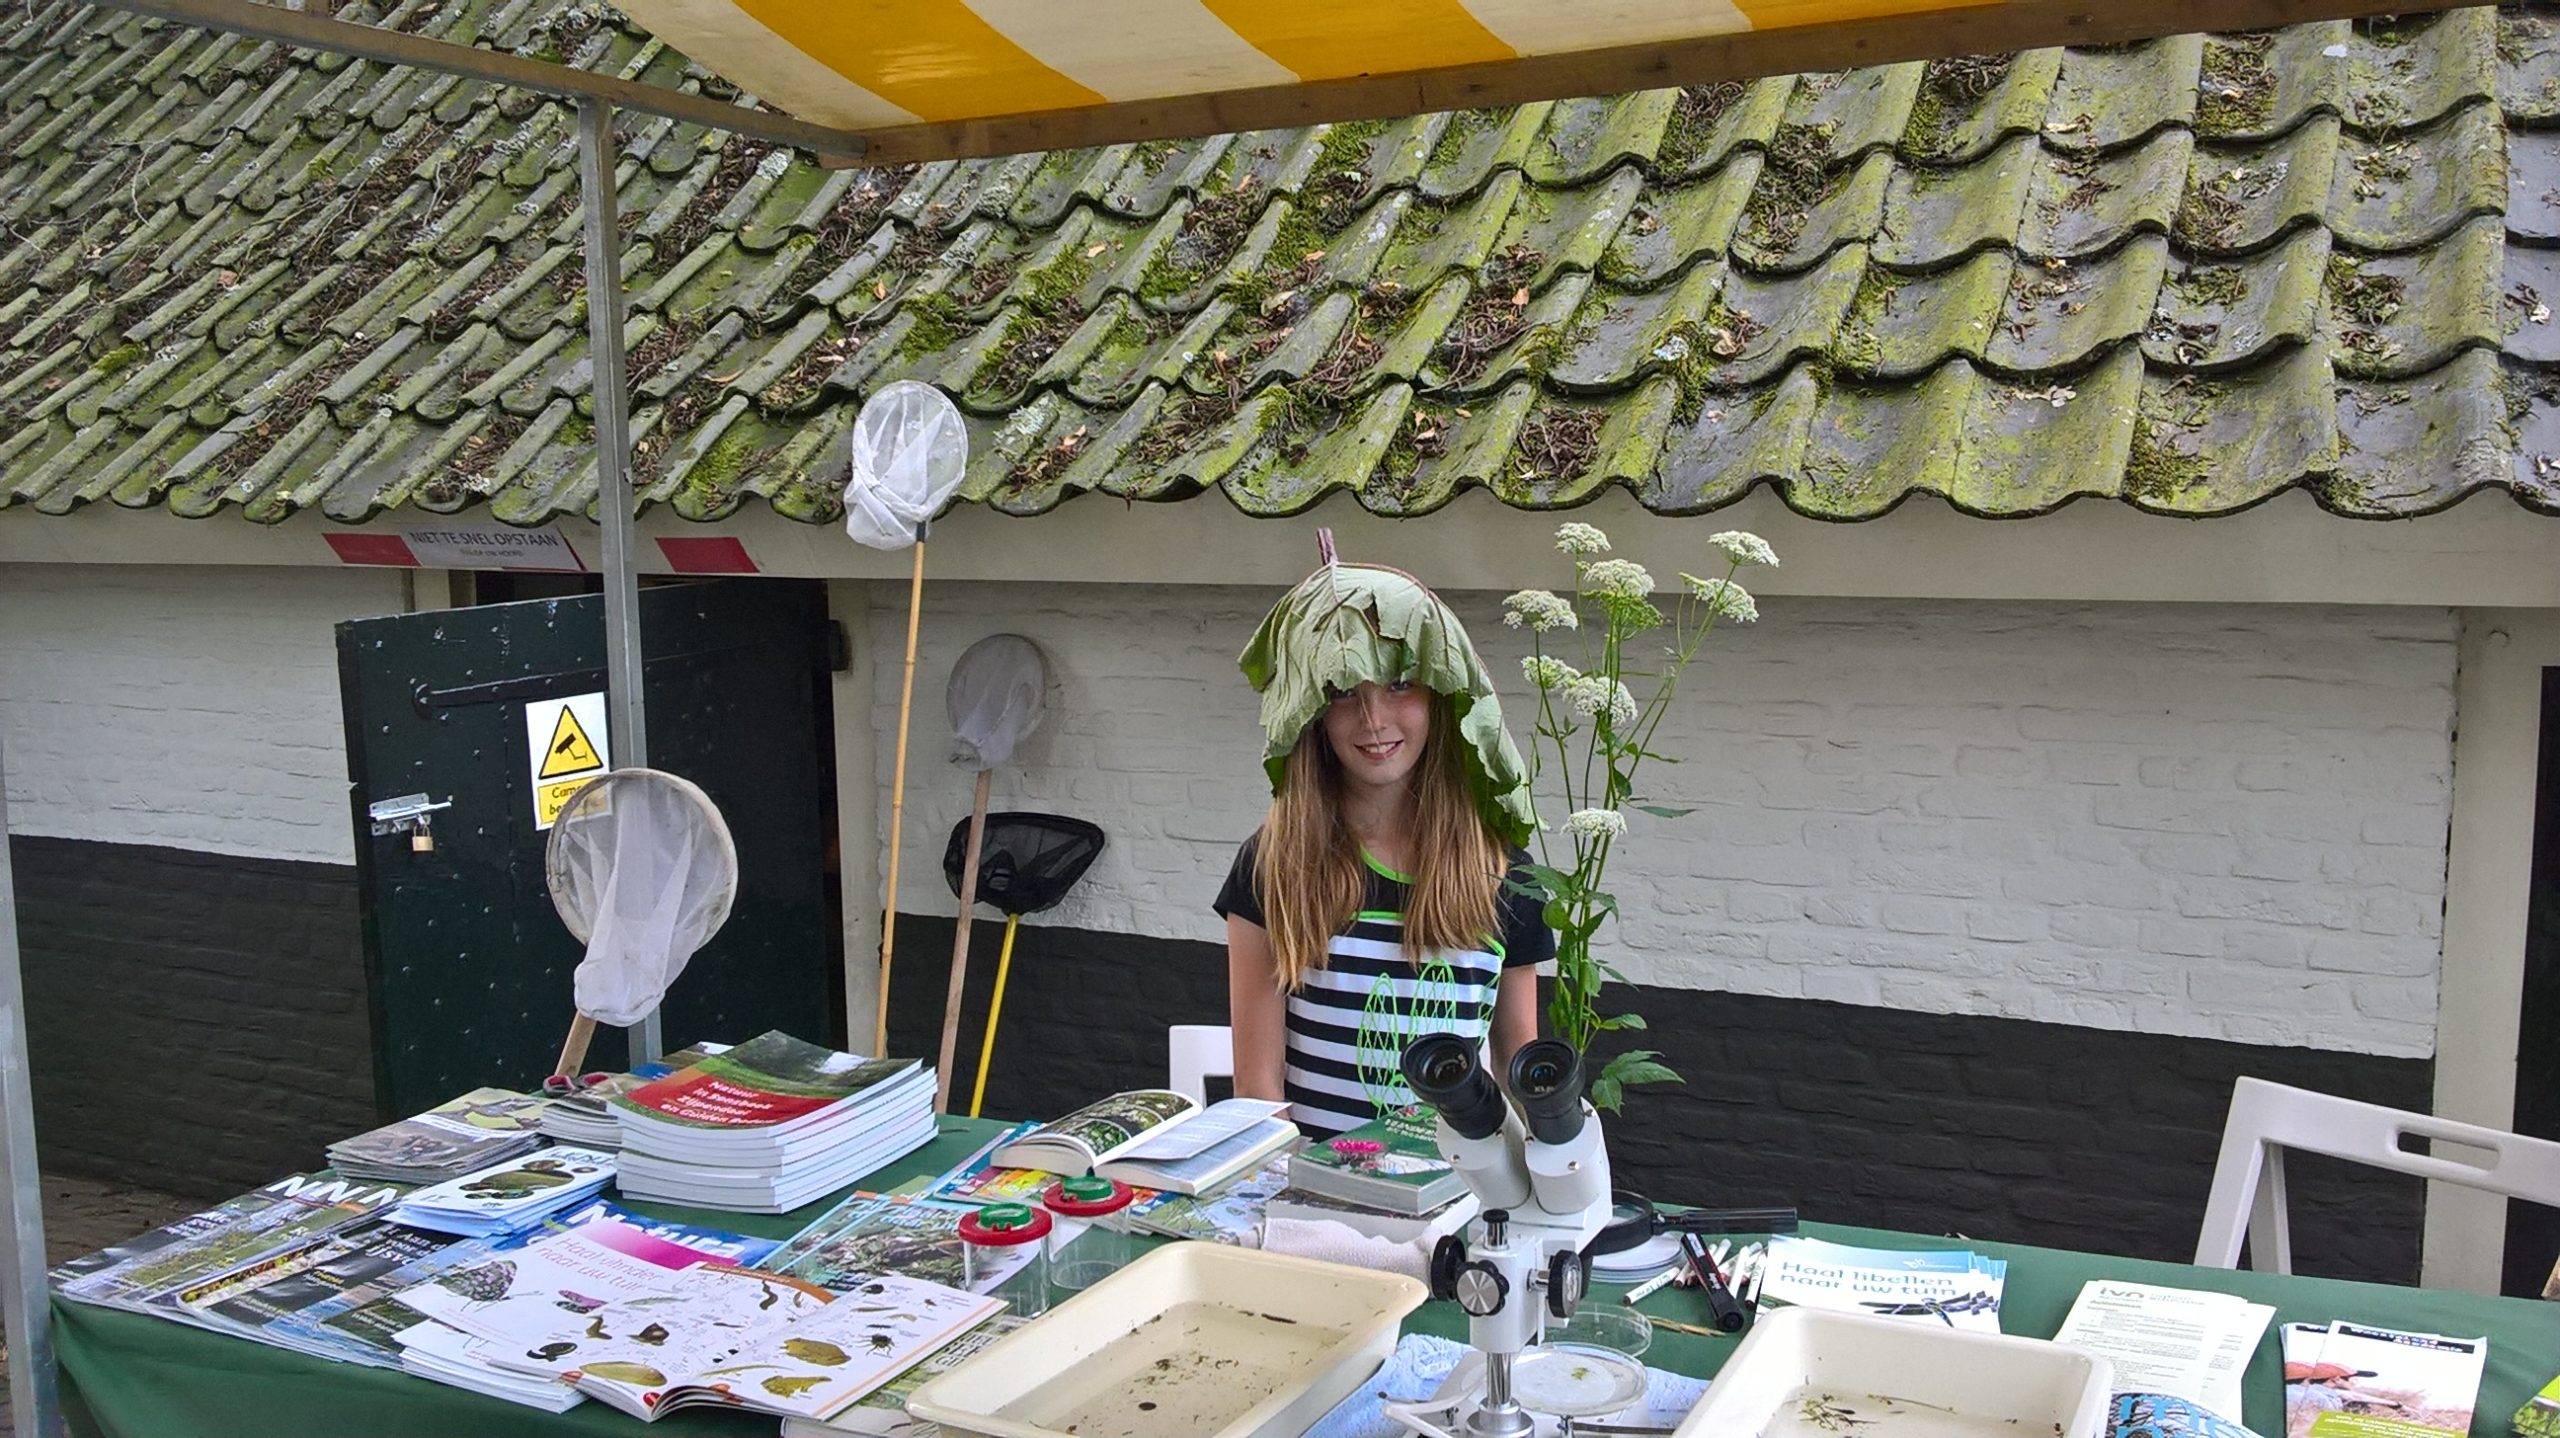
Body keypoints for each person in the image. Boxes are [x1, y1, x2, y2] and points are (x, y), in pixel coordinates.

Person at [1214, 558, 1554, 1140]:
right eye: (1344, 691)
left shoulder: (1504, 874)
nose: (1373, 720)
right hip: (1315, 1205)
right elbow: (1258, 1089)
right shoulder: (1274, 863)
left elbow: (1519, 1078)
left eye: (1399, 684)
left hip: (1456, 1199)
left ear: (1441, 696)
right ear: (1311, 713)